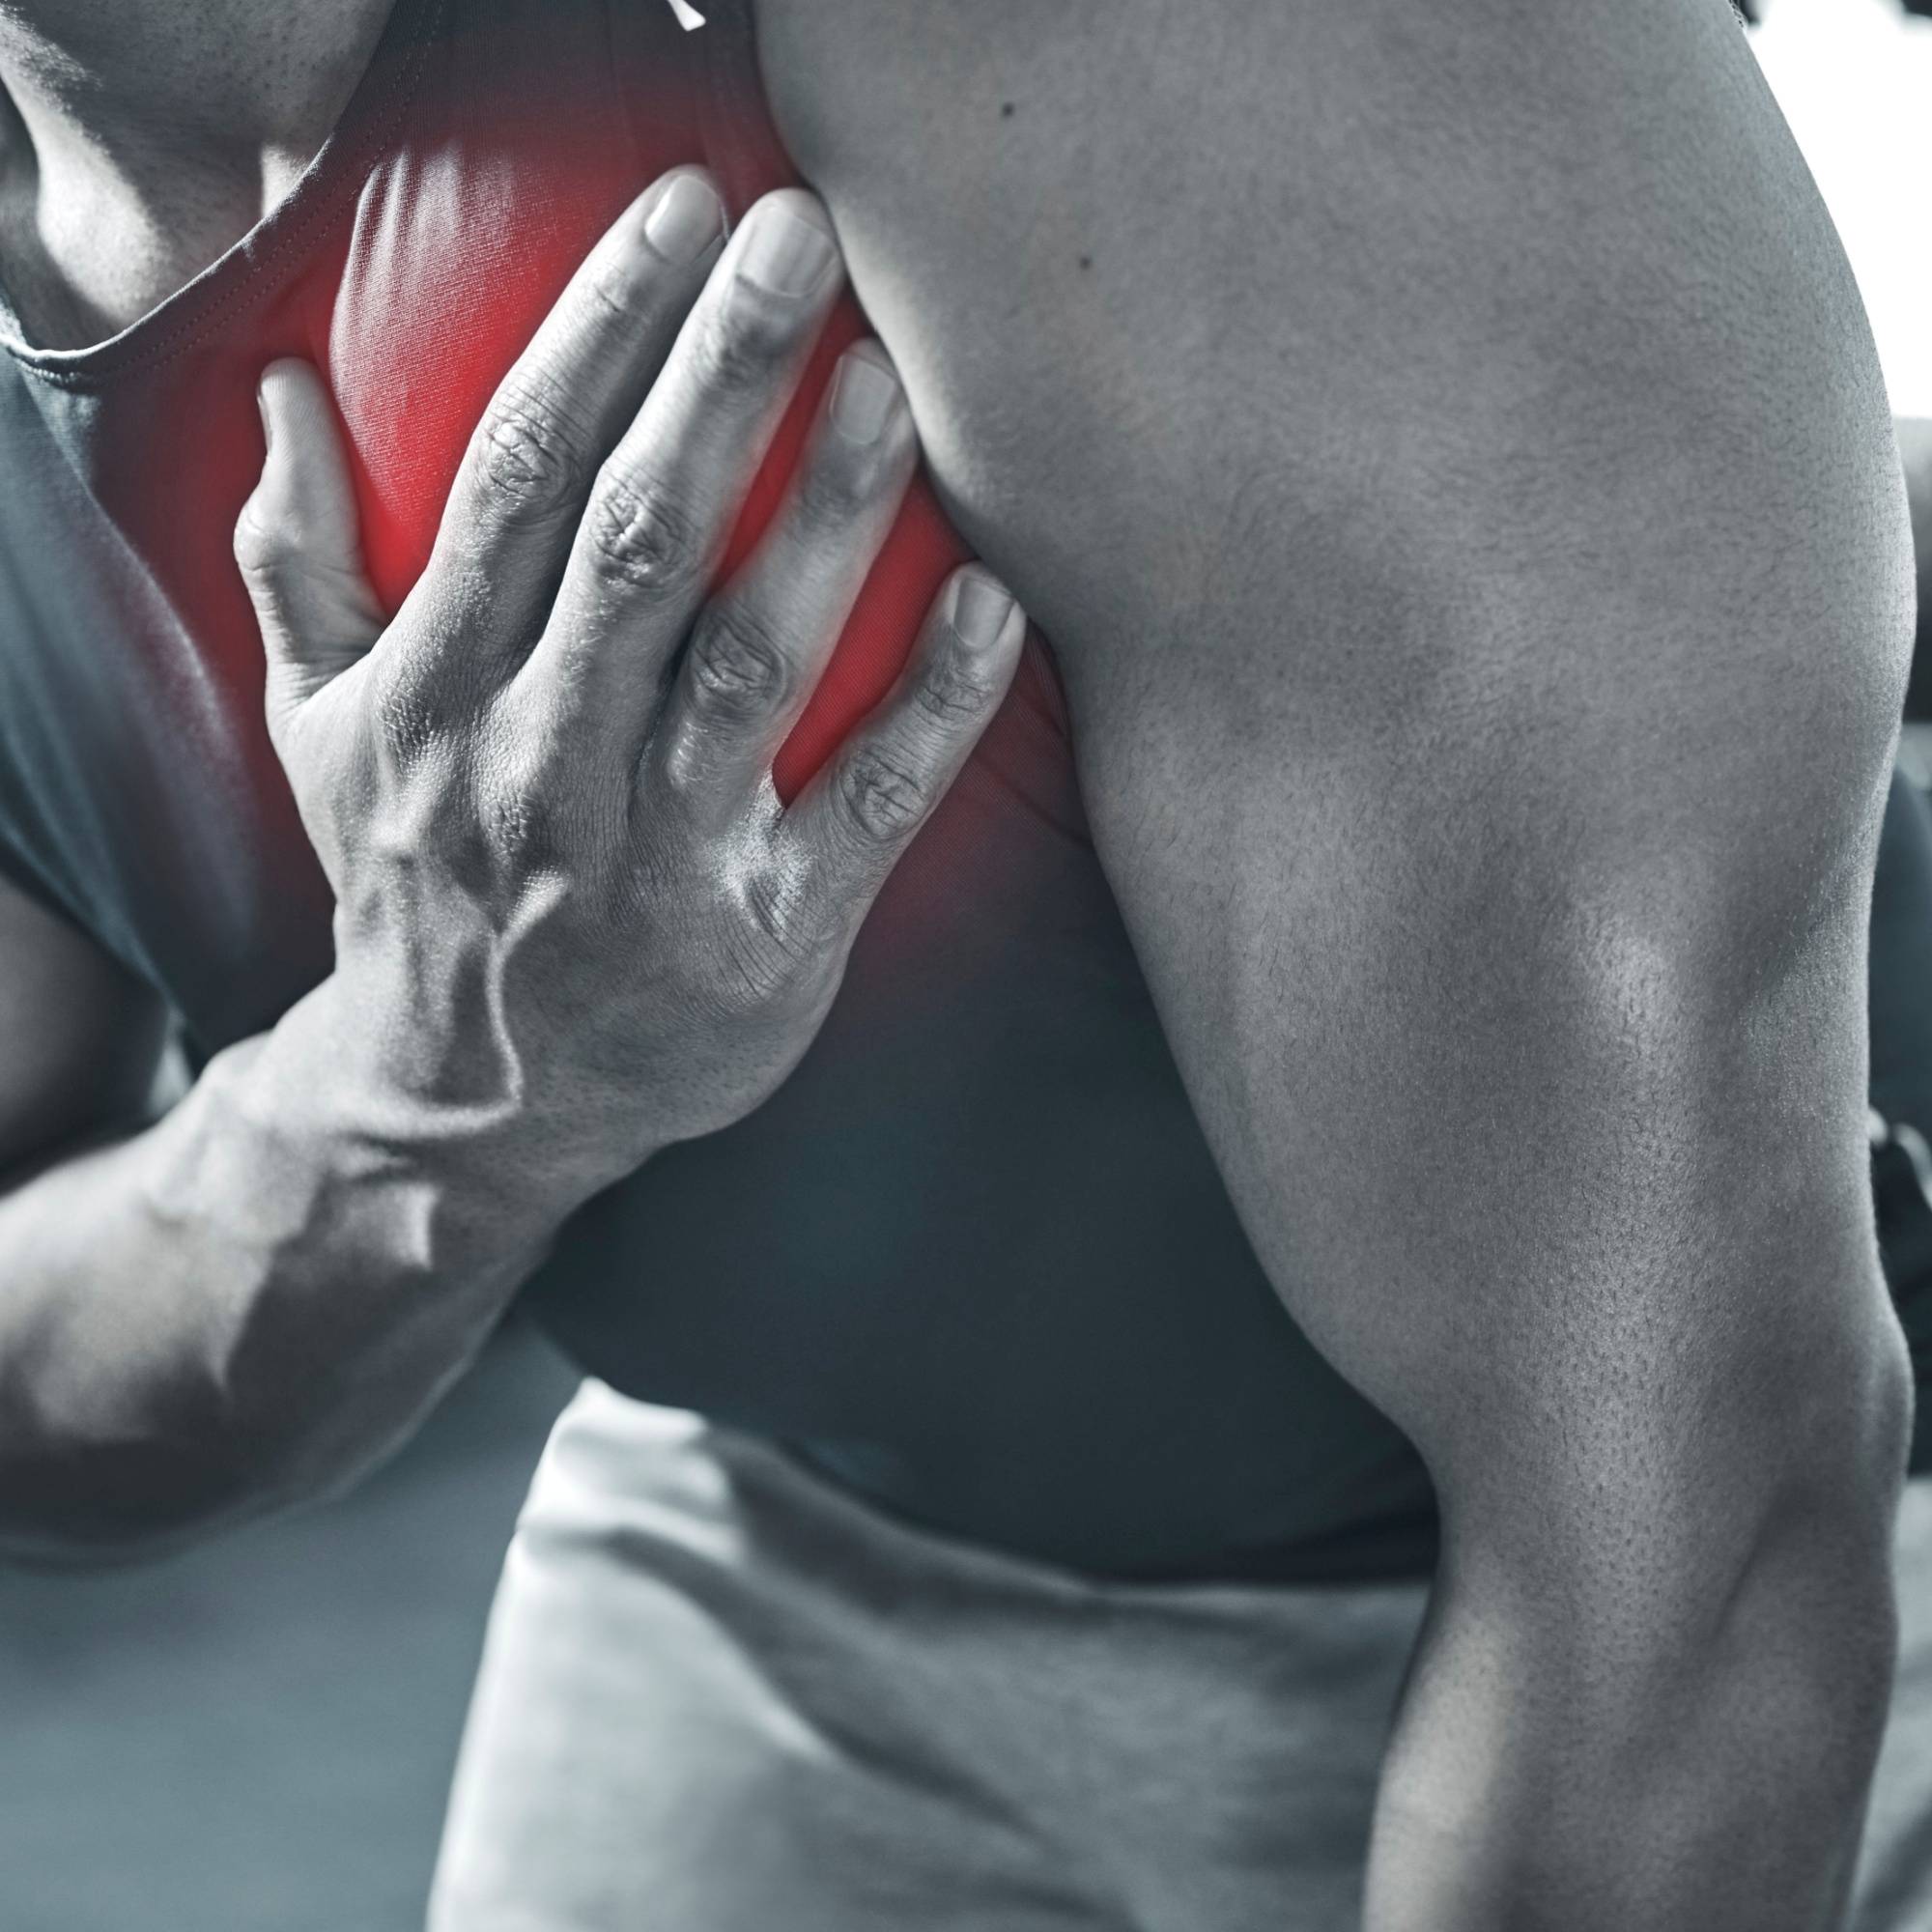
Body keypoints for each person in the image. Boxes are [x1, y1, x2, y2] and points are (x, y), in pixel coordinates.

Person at [0, 2, 1918, 1927]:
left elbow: (1699, 1546)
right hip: (783, 1517)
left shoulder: (1174, 53)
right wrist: (416, 1096)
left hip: (1672, 1607)